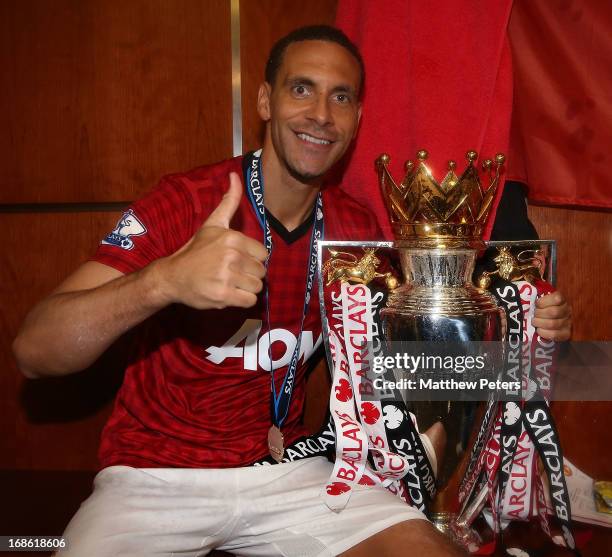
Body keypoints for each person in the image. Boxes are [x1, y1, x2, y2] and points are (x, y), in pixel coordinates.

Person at [12, 25, 570, 557]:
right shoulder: (186, 201)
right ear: (264, 101)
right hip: (154, 479)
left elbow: (405, 367)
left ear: (357, 119)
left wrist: (520, 327)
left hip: (289, 473)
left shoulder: (355, 231)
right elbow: (35, 351)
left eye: (341, 97)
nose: (321, 115)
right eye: (301, 89)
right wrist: (162, 282)